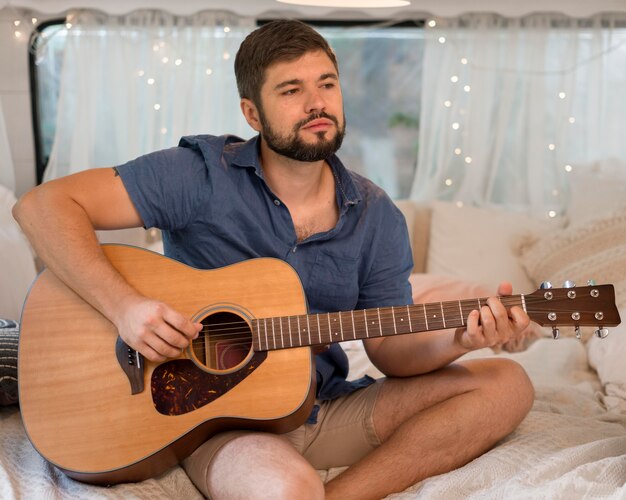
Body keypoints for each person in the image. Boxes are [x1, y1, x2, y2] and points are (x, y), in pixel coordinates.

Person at [13, 19, 534, 500]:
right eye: (292, 90)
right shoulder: (197, 175)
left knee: (507, 385)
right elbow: (42, 206)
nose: (317, 103)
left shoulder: (377, 215)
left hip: (324, 405)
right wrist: (125, 307)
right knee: (286, 489)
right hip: (214, 420)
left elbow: (392, 353)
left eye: (327, 84)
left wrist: (461, 338)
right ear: (252, 113)